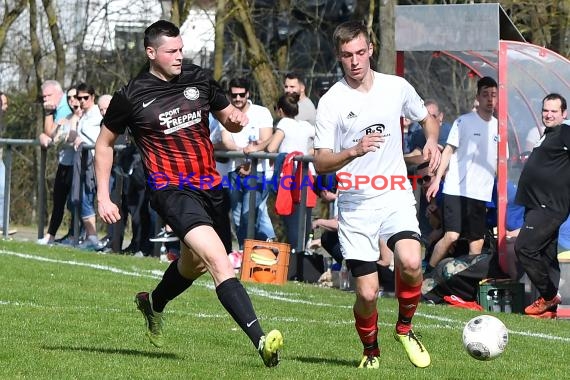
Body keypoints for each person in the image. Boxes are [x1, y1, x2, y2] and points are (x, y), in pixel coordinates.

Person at [94, 20, 282, 367]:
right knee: (218, 261)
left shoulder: (198, 78)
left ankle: (153, 304)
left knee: (192, 264)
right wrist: (104, 196)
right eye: (172, 51)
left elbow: (228, 117)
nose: (180, 56)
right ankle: (262, 343)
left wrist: (236, 121)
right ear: (152, 53)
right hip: (171, 190)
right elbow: (104, 144)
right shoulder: (131, 95)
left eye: (181, 49)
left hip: (211, 187)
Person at [313, 21, 441, 369]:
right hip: (355, 202)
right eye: (346, 56)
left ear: (370, 49)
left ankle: (404, 328)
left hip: (395, 193)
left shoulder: (395, 87)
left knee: (412, 262)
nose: (354, 61)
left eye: (359, 52)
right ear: (339, 57)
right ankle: (371, 351)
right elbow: (321, 160)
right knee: (367, 293)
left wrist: (430, 139)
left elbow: (426, 117)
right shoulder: (332, 102)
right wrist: (352, 151)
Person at [425, 76, 499, 272]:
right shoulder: (463, 122)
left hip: (480, 193)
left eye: (493, 95)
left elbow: (501, 162)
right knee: (452, 235)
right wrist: (437, 180)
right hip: (456, 189)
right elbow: (448, 151)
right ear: (478, 97)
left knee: (477, 241)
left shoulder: (500, 127)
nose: (490, 100)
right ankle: (428, 276)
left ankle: (468, 282)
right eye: (485, 95)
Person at [514, 93, 569, 319]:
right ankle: (550, 310)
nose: (548, 114)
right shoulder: (548, 134)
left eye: (554, 111)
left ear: (563, 114)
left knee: (524, 248)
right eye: (546, 110)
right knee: (547, 256)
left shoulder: (566, 131)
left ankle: (548, 296)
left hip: (550, 206)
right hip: (536, 204)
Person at [220, 77, 276, 249]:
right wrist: (243, 151)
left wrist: (251, 157)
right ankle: (249, 252)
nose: (237, 99)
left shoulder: (261, 112)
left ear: (248, 93)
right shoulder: (226, 113)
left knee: (249, 214)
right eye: (234, 95)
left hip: (258, 172)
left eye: (241, 94)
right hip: (233, 171)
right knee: (237, 218)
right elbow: (226, 140)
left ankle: (266, 248)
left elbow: (267, 140)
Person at [37, 81, 74, 244]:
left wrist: (47, 130)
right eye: (43, 96)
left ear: (59, 93)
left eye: (48, 95)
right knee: (58, 198)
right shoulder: (55, 108)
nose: (45, 99)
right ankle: (51, 235)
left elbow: (52, 133)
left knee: (75, 202)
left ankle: (76, 235)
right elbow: (49, 133)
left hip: (77, 161)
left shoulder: (67, 106)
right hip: (65, 161)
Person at [73, 83, 103, 250]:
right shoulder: (82, 115)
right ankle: (90, 237)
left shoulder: (97, 114)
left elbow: (100, 138)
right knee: (83, 198)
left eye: (86, 97)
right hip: (82, 161)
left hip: (94, 161)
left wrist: (84, 141)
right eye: (79, 98)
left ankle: (99, 238)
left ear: (93, 97)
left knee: (90, 196)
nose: (82, 101)